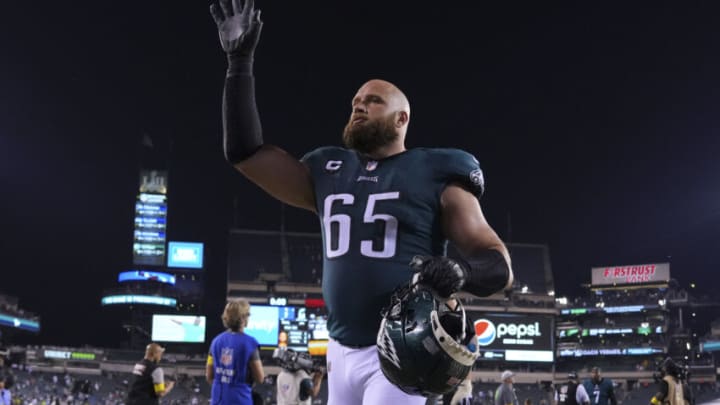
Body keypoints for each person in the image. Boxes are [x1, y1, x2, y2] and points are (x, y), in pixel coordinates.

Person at [209, 0, 513, 403]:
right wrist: (239, 64)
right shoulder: (328, 168)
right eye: (355, 101)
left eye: (372, 101)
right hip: (339, 349)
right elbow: (245, 153)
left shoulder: (435, 171)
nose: (358, 105)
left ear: (401, 118)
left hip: (402, 348)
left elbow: (499, 266)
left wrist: (460, 271)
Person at [206, 299, 265, 404]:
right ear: (243, 318)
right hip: (240, 399)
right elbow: (260, 378)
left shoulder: (216, 341)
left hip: (217, 399)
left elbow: (209, 376)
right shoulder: (249, 343)